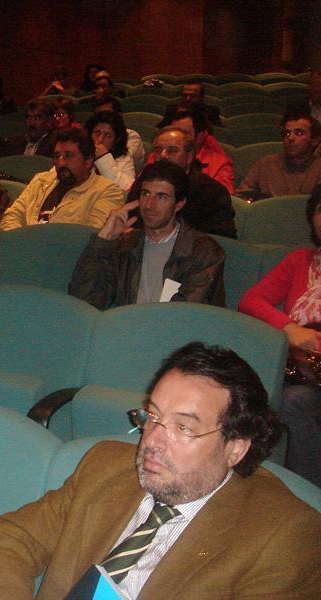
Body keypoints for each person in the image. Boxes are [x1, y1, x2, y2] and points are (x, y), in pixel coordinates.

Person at [0, 342, 320, 599]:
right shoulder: (105, 466)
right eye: (153, 416)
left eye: (184, 428)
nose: (152, 440)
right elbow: (10, 538)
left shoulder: (284, 536)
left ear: (235, 448)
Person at [238, 184, 321, 487]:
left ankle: (305, 494)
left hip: (311, 379)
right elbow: (250, 301)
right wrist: (290, 328)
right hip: (298, 370)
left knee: (294, 401)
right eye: (320, 210)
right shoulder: (299, 261)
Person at [69, 161, 225, 310]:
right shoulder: (125, 245)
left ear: (179, 204)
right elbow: (84, 299)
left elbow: (183, 315)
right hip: (124, 325)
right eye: (146, 194)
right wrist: (103, 239)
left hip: (166, 328)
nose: (149, 205)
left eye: (161, 197)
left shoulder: (203, 252)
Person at [0, 128, 125, 230]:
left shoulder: (107, 191)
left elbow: (93, 236)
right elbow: (12, 215)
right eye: (57, 156)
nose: (60, 162)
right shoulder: (41, 180)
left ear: (88, 161)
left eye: (68, 156)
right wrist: (19, 242)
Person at [129, 127, 237, 238]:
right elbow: (131, 225)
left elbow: (221, 240)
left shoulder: (212, 192)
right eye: (158, 150)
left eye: (172, 151)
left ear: (189, 156)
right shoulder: (143, 183)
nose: (163, 155)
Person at [236, 112, 321, 200]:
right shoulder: (265, 165)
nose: (290, 138)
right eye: (287, 134)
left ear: (315, 140)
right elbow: (240, 198)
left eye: (299, 133)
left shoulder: (318, 168)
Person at [161, 104, 235, 194]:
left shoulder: (220, 164)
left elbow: (222, 197)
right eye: (173, 132)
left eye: (184, 134)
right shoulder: (159, 154)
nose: (176, 138)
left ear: (200, 137)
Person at [85, 111, 135, 191]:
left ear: (115, 140)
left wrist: (103, 158)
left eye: (108, 135)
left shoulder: (124, 158)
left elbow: (126, 189)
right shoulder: (79, 153)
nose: (100, 139)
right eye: (97, 133)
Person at [93, 97, 146, 172]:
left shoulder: (132, 136)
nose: (103, 118)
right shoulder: (91, 135)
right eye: (98, 115)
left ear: (119, 115)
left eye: (107, 114)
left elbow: (122, 163)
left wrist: (103, 156)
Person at [157, 82, 223, 128]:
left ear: (201, 97)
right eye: (185, 95)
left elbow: (218, 132)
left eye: (193, 96)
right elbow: (161, 127)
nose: (188, 99)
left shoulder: (211, 111)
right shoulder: (172, 109)